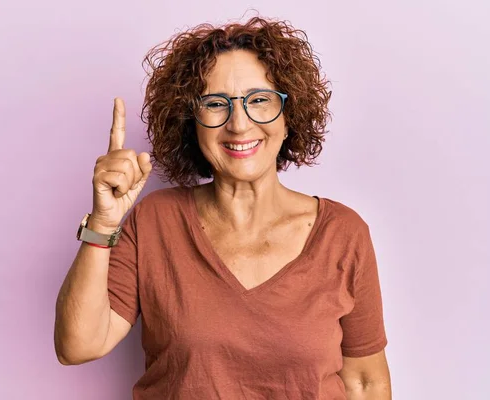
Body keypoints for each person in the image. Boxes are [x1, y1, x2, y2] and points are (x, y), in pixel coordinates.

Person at [54, 16, 391, 399]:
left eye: (259, 100)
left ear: (289, 113)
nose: (239, 124)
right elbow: (77, 346)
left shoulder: (343, 233)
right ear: (190, 120)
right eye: (216, 103)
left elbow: (365, 382)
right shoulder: (155, 221)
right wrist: (103, 221)